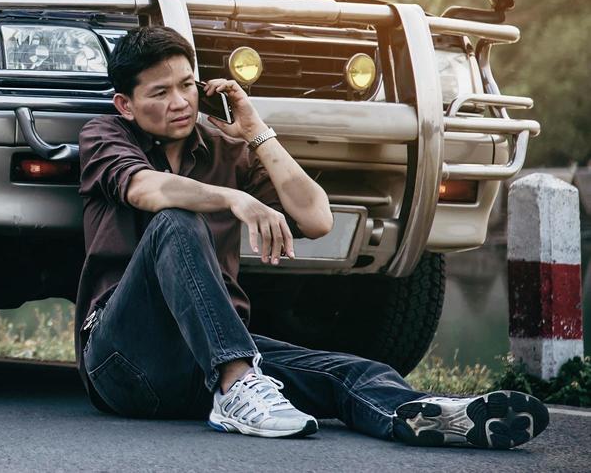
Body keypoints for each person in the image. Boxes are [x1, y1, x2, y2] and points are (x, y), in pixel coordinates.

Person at [76, 25, 549, 448]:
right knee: (176, 223)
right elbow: (147, 189)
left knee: (358, 371)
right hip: (124, 361)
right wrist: (234, 199)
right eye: (159, 93)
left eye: (186, 86)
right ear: (127, 105)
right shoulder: (106, 135)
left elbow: (316, 217)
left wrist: (257, 131)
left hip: (202, 359)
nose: (179, 102)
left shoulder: (225, 150)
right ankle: (236, 384)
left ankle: (433, 419)